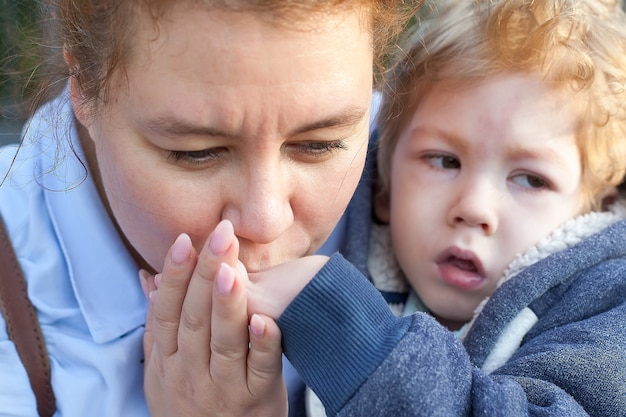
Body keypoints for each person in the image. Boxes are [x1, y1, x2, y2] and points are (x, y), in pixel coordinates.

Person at [152, 0, 626, 415]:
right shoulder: (356, 243)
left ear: (594, 206)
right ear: (383, 181)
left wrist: (348, 331)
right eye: (444, 160)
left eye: (530, 179)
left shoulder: (609, 314)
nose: (474, 208)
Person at [0, 0, 422, 416]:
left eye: (320, 144)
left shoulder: (441, 177)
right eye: (196, 153)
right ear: (84, 86)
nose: (266, 220)